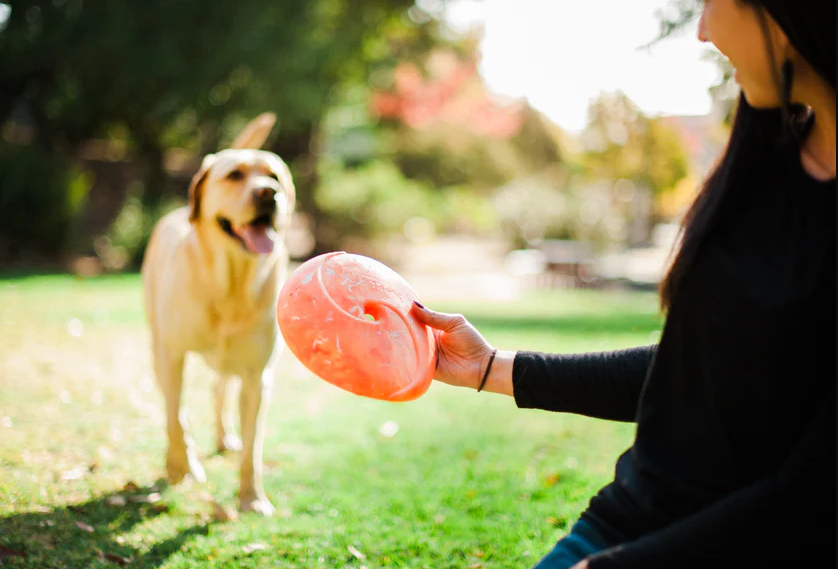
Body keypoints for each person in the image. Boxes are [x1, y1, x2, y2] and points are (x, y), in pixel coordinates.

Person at [410, 0, 836, 567]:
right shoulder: (773, 153)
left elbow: (815, 497)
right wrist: (491, 368)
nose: (703, 32)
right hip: (626, 522)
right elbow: (705, 371)